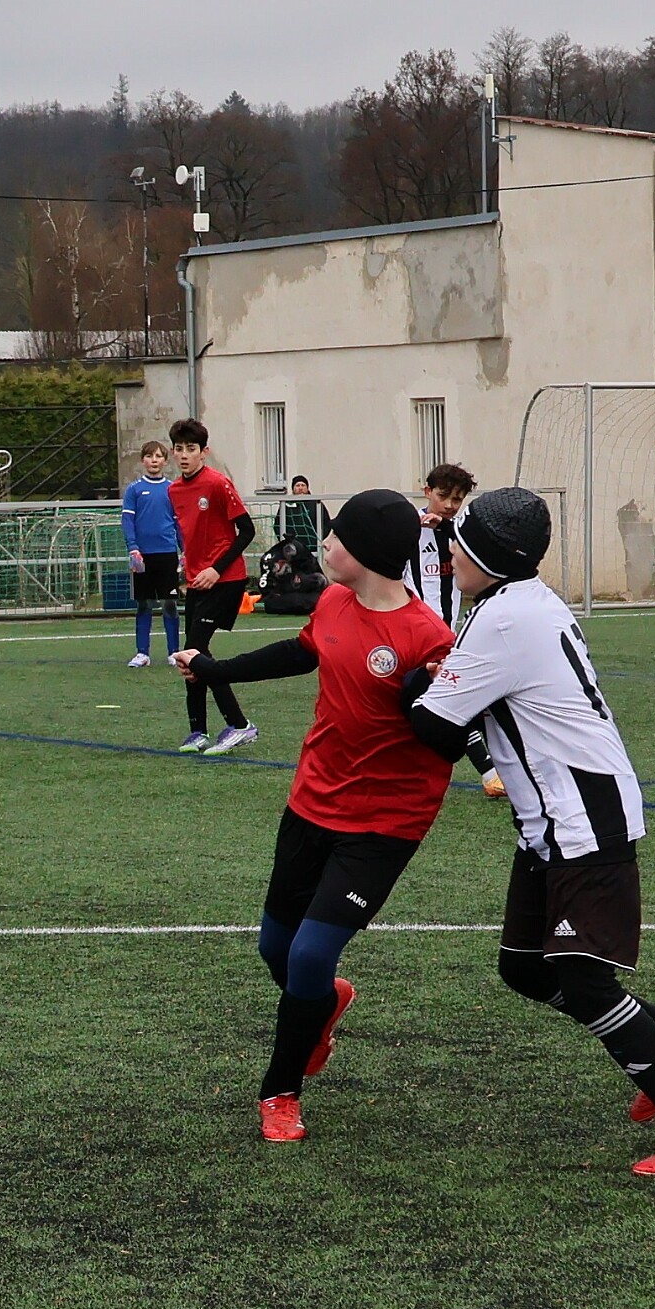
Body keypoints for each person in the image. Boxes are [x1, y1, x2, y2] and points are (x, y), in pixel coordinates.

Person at [408, 488, 655, 1177]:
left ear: (489, 555)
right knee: (523, 966)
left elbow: (433, 730)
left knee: (585, 983)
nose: (449, 552)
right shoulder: (516, 602)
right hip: (555, 820)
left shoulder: (503, 617)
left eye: (460, 541)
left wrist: (401, 680)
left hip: (582, 821)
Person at [171, 490, 457, 1144]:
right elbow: (302, 653)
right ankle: (326, 1003)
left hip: (384, 824)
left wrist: (442, 707)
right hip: (312, 801)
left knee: (308, 954)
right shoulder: (330, 602)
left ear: (369, 553)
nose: (324, 545)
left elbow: (451, 733)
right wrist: (215, 670)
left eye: (337, 536)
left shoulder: (427, 638)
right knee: (275, 948)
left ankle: (280, 1091)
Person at [404, 463, 507, 800]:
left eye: (457, 499)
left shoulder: (460, 533)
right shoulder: (407, 528)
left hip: (450, 633)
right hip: (417, 635)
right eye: (443, 496)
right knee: (454, 700)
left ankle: (496, 772)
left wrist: (447, 528)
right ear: (427, 492)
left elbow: (483, 558)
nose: (449, 505)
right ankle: (490, 773)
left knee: (463, 699)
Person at [165, 420, 259, 755]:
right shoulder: (174, 491)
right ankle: (198, 732)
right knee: (194, 654)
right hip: (196, 581)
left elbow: (247, 531)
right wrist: (187, 566)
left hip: (225, 580)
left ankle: (240, 725)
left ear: (204, 452)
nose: (184, 455)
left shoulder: (218, 484)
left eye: (191, 449)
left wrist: (216, 569)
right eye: (179, 449)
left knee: (193, 652)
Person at [119, 439, 181, 667]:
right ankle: (142, 653)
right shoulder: (134, 489)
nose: (154, 460)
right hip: (142, 556)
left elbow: (179, 523)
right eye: (149, 456)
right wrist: (133, 547)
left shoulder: (172, 489)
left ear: (165, 460)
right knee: (144, 603)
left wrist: (185, 550)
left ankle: (174, 652)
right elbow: (128, 520)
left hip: (167, 553)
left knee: (169, 603)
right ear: (143, 460)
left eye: (158, 456)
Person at [280, 476, 326, 557]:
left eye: (303, 485)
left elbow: (326, 522)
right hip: (293, 548)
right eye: (297, 485)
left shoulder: (316, 503)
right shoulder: (286, 505)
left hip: (313, 548)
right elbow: (278, 525)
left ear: (307, 488)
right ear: (293, 489)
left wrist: (318, 539)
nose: (300, 488)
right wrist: (286, 541)